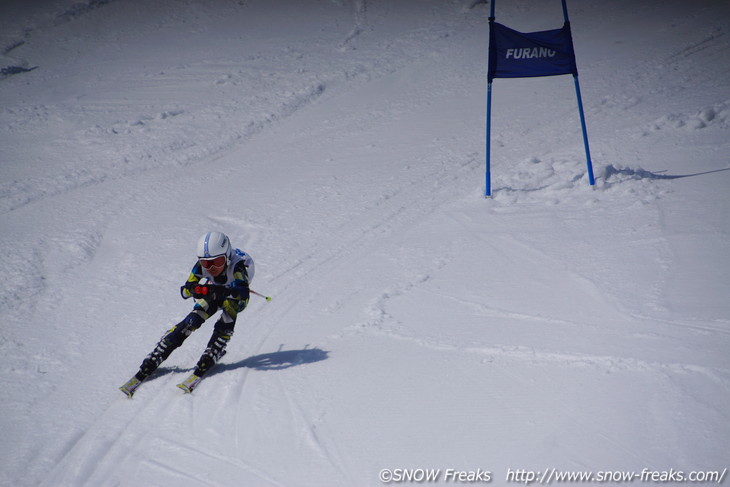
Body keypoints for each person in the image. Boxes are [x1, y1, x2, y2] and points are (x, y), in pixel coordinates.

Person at [120, 231, 253, 396]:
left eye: (217, 262)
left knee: (229, 306)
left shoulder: (237, 266)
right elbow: (184, 292)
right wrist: (195, 289)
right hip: (214, 292)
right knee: (192, 320)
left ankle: (217, 344)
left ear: (227, 257)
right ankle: (164, 347)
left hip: (235, 297)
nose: (212, 268)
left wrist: (220, 291)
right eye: (206, 264)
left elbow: (243, 293)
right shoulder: (201, 267)